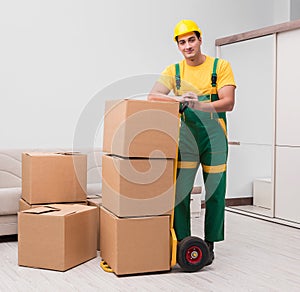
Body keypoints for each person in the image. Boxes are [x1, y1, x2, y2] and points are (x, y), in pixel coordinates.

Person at [148, 19, 236, 266]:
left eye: (191, 40)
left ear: (200, 40)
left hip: (215, 139)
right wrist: (178, 100)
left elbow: (228, 102)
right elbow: (152, 97)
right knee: (180, 193)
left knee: (216, 192)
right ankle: (184, 241)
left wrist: (200, 104)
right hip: (186, 138)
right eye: (182, 42)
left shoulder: (220, 66)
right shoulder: (173, 71)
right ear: (178, 46)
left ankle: (209, 243)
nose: (187, 46)